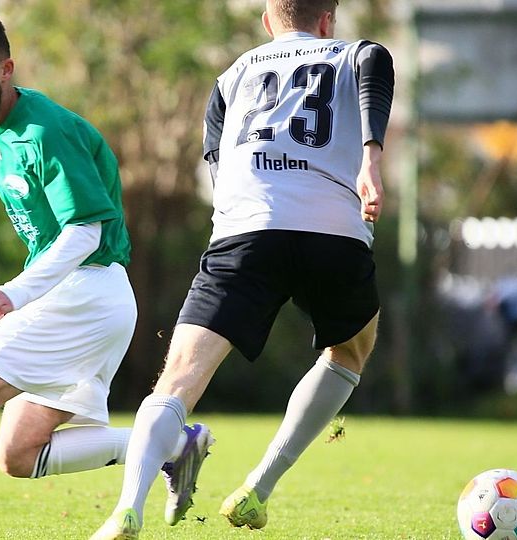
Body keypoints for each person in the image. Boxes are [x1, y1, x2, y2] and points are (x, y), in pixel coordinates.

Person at [91, 0, 393, 538]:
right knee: (350, 350)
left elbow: (216, 165)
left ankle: (126, 508)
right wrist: (371, 158)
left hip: (245, 233)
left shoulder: (231, 77)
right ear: (328, 20)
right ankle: (259, 487)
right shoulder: (357, 53)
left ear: (266, 22)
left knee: (180, 375)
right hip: (333, 231)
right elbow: (374, 75)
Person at [0, 13, 212, 540]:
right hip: (89, 297)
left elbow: (86, 232)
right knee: (18, 454)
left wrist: (16, 291)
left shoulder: (43, 130)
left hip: (87, 289)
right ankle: (171, 445)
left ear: (5, 69)